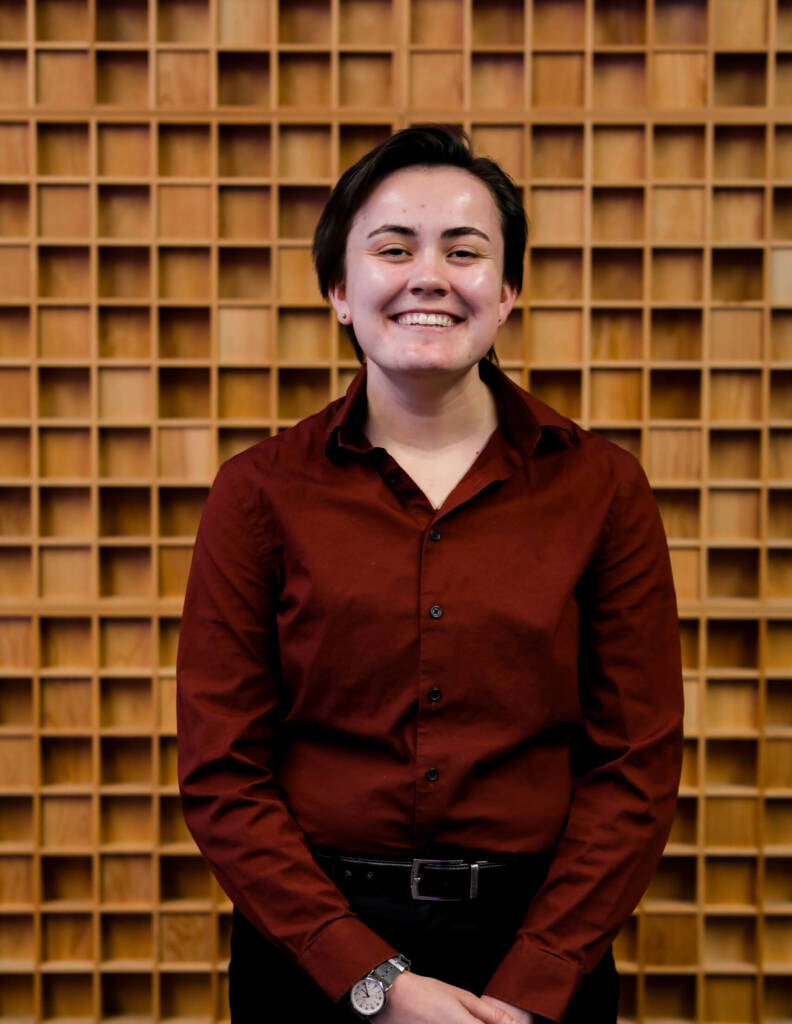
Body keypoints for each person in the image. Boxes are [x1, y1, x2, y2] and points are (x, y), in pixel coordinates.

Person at [177, 125, 684, 1023]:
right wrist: (373, 983)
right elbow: (224, 773)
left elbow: (634, 764)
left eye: (465, 250)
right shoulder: (257, 493)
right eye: (393, 248)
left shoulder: (603, 488)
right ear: (340, 289)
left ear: (508, 290)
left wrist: (536, 981)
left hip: (536, 949)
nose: (429, 276)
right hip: (313, 953)